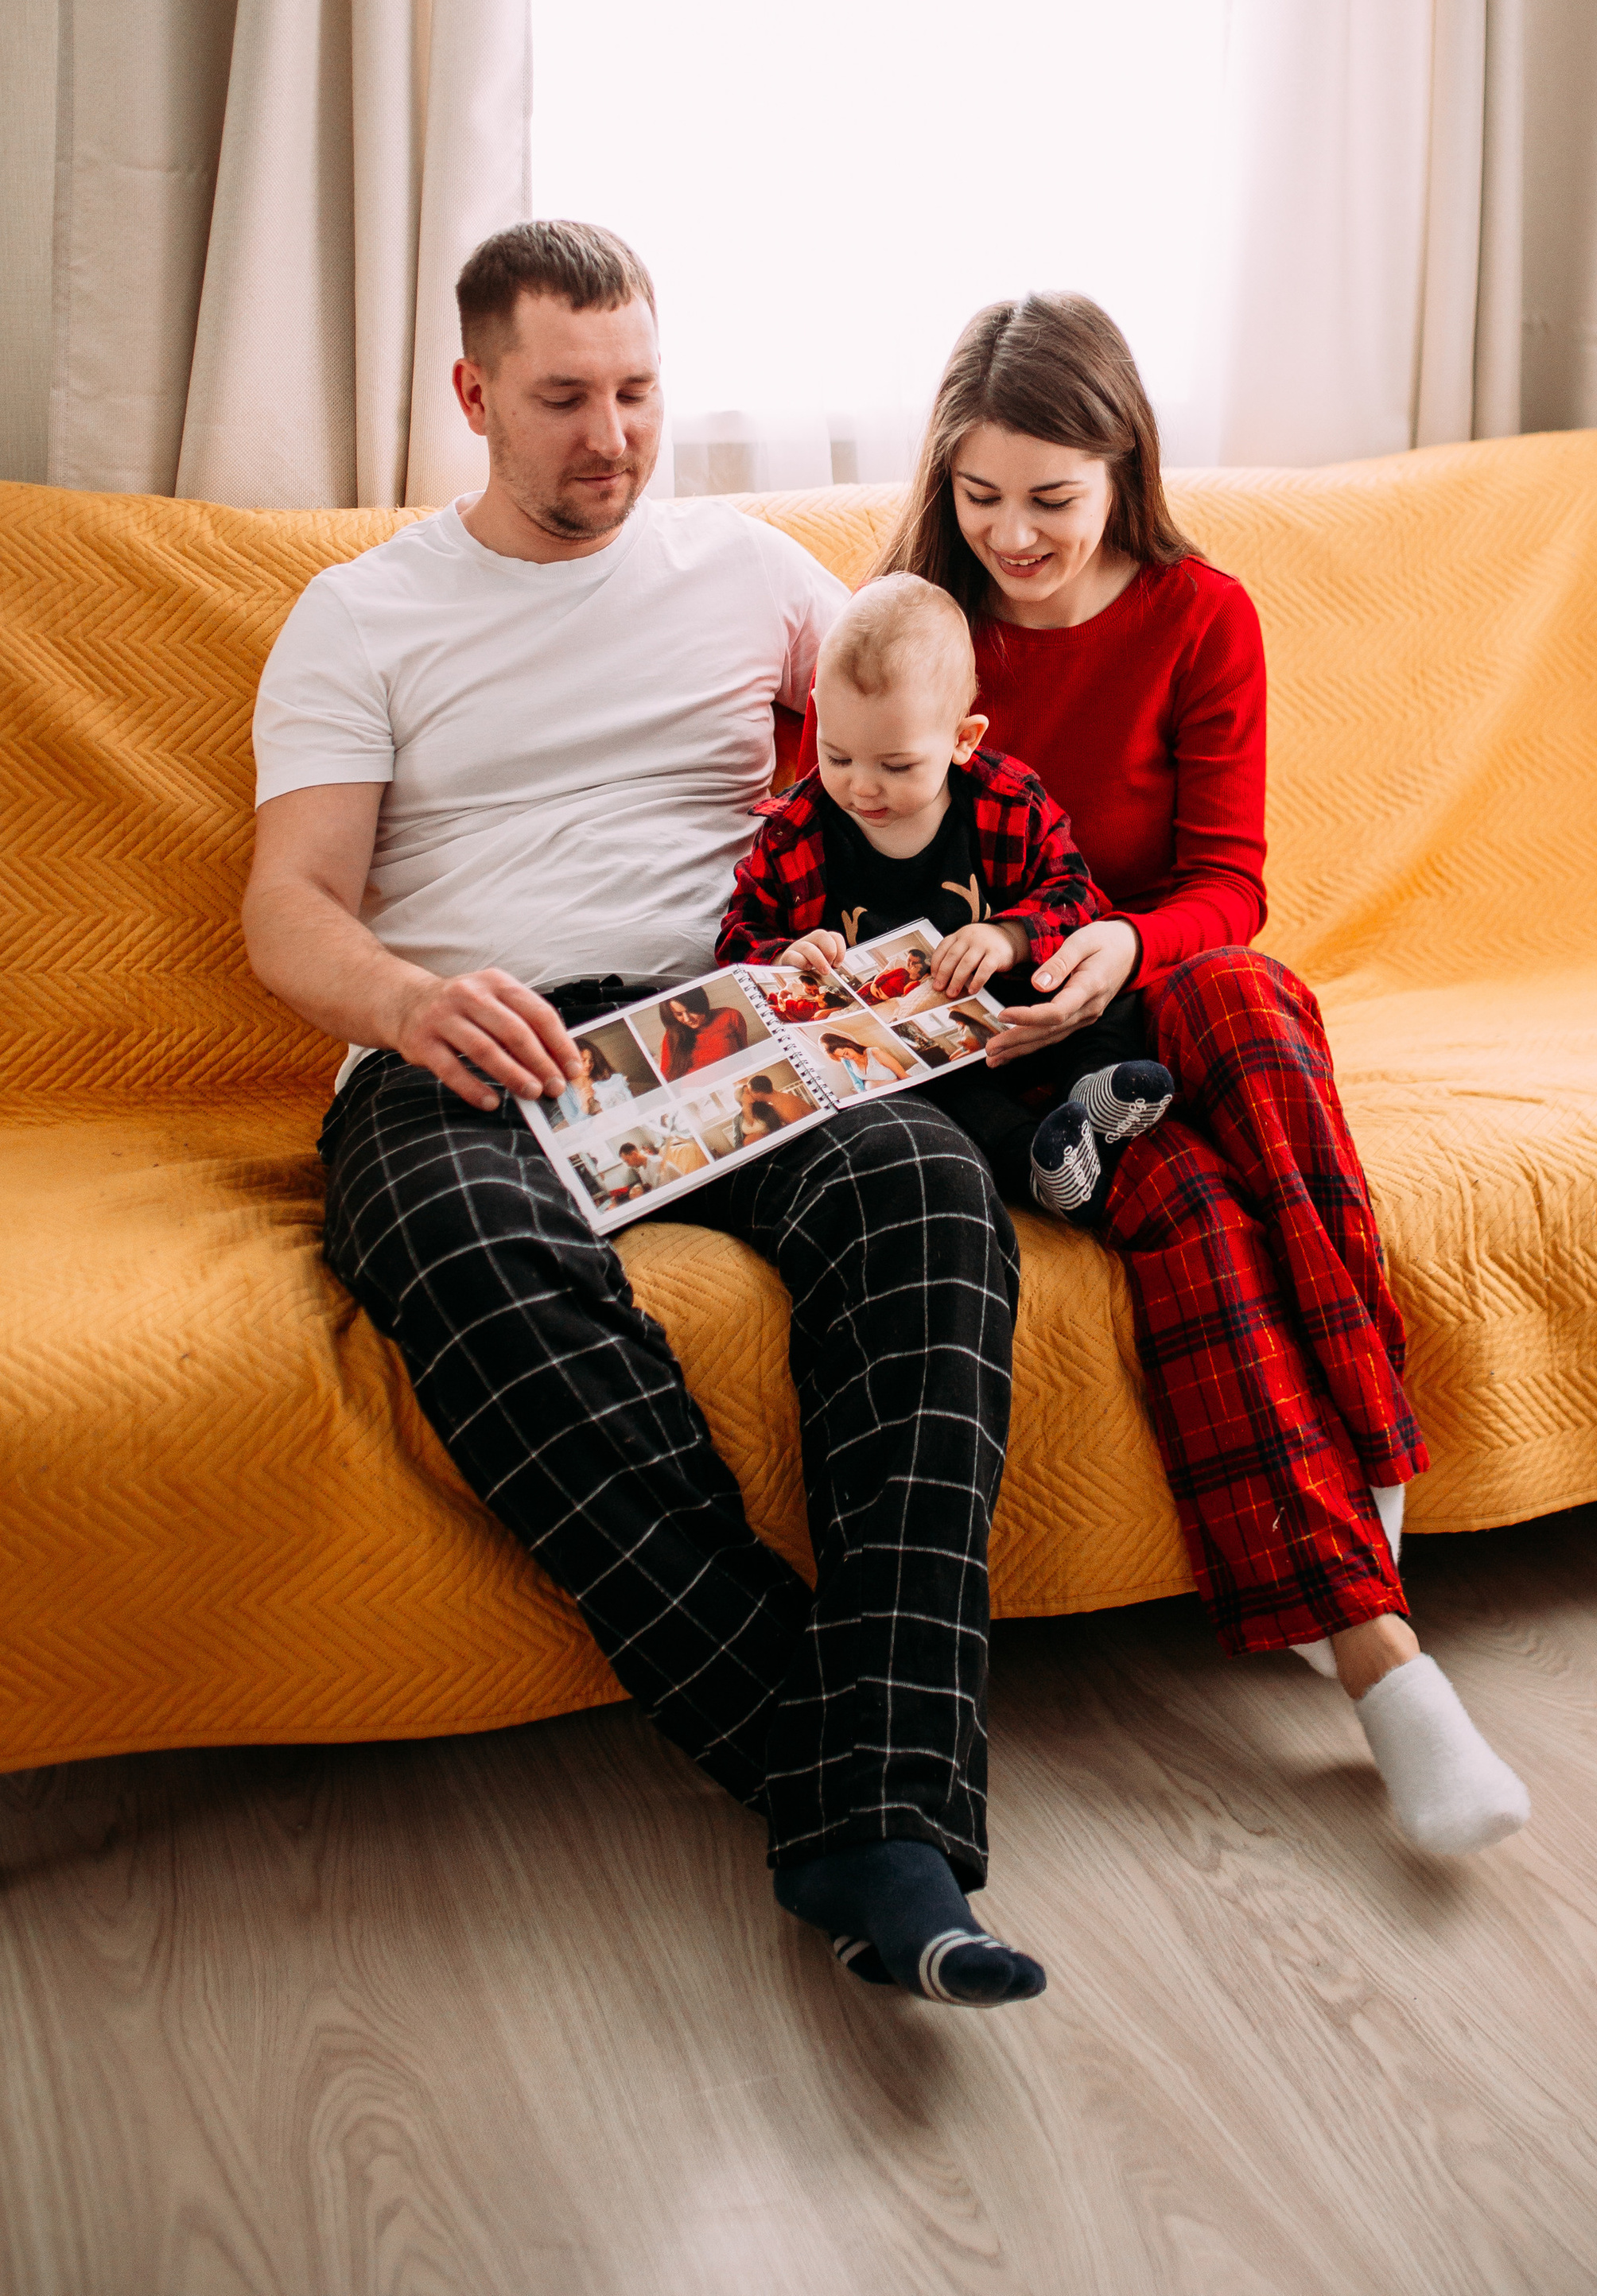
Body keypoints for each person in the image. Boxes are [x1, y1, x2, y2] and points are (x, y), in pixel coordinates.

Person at [241, 218, 1045, 2007]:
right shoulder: (361, 614)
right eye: (561, 400)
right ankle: (865, 1794)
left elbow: (917, 744)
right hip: (470, 1046)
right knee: (456, 1251)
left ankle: (861, 1801)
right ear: (470, 395)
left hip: (724, 1020)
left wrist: (962, 947)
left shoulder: (751, 571)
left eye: (637, 392)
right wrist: (406, 999)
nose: (610, 437)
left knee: (923, 1191)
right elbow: (288, 899)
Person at [862, 292, 1530, 1859]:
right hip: (1017, 1055)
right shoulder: (910, 623)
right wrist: (994, 984)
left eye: (1048, 499)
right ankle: (1379, 1654)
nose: (1010, 536)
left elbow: (1228, 881)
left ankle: (1362, 1458)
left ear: (1123, 467)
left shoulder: (1198, 613)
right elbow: (858, 880)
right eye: (977, 498)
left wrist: (1118, 948)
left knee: (1239, 993)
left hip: (1157, 987)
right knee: (1187, 1215)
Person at [721, 573, 1175, 1215]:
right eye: (838, 756)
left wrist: (1009, 936)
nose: (862, 788)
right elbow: (738, 933)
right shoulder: (796, 831)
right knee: (929, 1102)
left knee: (1112, 997)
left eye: (896, 765)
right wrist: (785, 957)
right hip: (922, 1062)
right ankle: (1039, 1163)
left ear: (964, 739)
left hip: (1024, 1022)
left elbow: (1077, 894)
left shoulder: (1006, 801)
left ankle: (1093, 1093)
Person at [658, 988, 748, 1082]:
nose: (687, 1019)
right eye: (679, 1014)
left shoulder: (730, 1016)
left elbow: (745, 1057)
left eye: (690, 1011)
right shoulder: (672, 1035)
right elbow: (666, 1078)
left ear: (700, 1004)